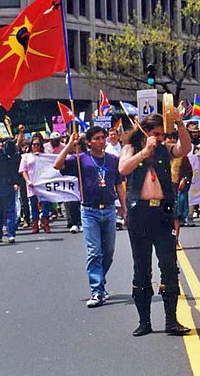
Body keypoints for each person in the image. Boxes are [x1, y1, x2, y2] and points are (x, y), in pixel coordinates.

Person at [118, 113, 192, 337]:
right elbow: (123, 169)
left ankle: (171, 320)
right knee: (141, 268)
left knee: (169, 266)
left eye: (162, 134)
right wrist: (144, 152)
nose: (160, 138)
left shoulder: (164, 149)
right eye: (156, 134)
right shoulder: (130, 148)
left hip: (162, 212)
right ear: (145, 131)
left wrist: (179, 124)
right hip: (140, 213)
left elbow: (185, 148)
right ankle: (144, 322)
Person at [55, 127, 126, 307]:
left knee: (108, 253)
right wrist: (70, 144)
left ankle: (100, 283)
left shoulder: (112, 160)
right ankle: (96, 291)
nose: (102, 141)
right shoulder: (81, 160)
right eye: (97, 138)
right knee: (94, 252)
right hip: (89, 211)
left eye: (103, 138)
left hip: (109, 210)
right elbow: (57, 165)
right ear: (89, 142)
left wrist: (124, 208)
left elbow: (119, 185)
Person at [19, 135, 50, 233]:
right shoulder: (26, 157)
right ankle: (35, 225)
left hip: (43, 184)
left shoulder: (46, 156)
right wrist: (28, 181)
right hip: (32, 184)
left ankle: (45, 224)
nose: (35, 146)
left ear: (41, 146)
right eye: (33, 144)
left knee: (45, 204)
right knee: (33, 205)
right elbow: (23, 170)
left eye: (38, 144)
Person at [0, 135, 21, 244]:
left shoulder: (7, 156)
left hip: (5, 186)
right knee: (10, 211)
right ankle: (10, 234)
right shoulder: (8, 156)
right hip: (7, 186)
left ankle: (0, 235)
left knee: (1, 212)